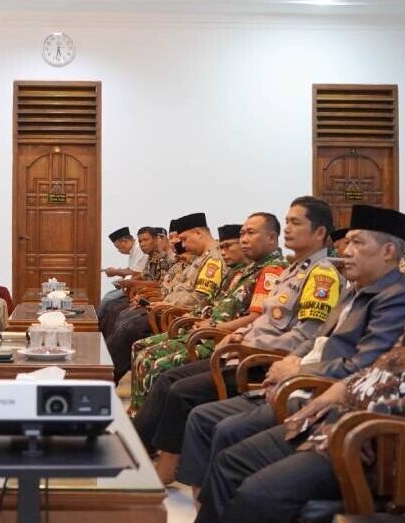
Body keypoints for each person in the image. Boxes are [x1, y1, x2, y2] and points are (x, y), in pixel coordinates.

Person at [195, 198, 405, 523]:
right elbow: (392, 364)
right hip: (353, 424)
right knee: (232, 461)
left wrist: (378, 408)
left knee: (258, 493)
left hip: (402, 444)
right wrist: (345, 391)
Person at [180, 205, 405, 500]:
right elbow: (317, 338)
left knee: (227, 439)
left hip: (320, 394)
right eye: (348, 242)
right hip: (299, 381)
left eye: (357, 243)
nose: (346, 250)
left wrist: (298, 371)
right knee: (206, 419)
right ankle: (206, 504)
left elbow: (364, 365)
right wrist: (292, 362)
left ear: (389, 251)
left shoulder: (394, 299)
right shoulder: (356, 288)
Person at [133, 197, 343, 483]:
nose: (288, 229)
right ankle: (137, 448)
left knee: (180, 389)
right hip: (239, 349)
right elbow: (263, 319)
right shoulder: (294, 271)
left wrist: (246, 345)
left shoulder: (321, 276)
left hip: (262, 362)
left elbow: (307, 335)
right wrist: (238, 333)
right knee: (170, 379)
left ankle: (165, 467)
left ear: (319, 232)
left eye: (295, 223)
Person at [129, 216, 287, 411]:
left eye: (250, 234)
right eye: (243, 234)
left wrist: (210, 326)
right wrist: (195, 317)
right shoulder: (242, 271)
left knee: (157, 365)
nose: (224, 252)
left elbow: (255, 317)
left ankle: (145, 419)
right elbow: (213, 303)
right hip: (205, 330)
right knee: (141, 349)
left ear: (271, 237)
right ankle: (140, 413)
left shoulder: (271, 270)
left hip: (219, 339)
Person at [107, 213, 226, 382]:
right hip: (167, 307)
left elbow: (198, 298)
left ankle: (106, 378)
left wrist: (163, 303)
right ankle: (103, 371)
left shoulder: (212, 259)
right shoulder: (201, 258)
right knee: (122, 317)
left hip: (177, 314)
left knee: (129, 327)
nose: (181, 244)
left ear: (198, 233)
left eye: (183, 239)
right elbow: (178, 287)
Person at [98, 226, 149, 321]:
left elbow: (137, 273)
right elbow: (131, 269)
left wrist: (116, 272)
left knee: (111, 303)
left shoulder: (139, 249)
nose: (118, 250)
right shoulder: (133, 250)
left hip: (139, 290)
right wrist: (119, 276)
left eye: (118, 247)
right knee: (108, 297)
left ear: (124, 241)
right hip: (132, 287)